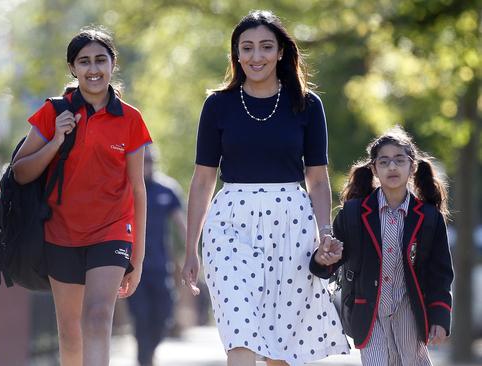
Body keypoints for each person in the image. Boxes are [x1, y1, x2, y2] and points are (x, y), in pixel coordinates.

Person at [181, 10, 350, 366]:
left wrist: (324, 233)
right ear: (236, 54)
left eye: (265, 47)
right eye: (247, 48)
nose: (256, 56)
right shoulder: (217, 105)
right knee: (239, 330)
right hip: (229, 223)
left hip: (291, 222)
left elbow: (317, 179)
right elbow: (202, 181)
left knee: (280, 346)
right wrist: (190, 249)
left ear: (280, 53)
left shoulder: (306, 104)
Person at [11, 27, 151, 366]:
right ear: (73, 68)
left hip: (112, 231)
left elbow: (137, 188)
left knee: (99, 315)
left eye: (100, 60)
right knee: (70, 332)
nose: (93, 69)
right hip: (61, 232)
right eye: (84, 61)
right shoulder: (53, 111)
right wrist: (56, 140)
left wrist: (139, 256)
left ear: (112, 64)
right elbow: (19, 172)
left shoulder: (130, 119)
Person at [310, 126, 454, 365]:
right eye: (384, 162)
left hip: (410, 314)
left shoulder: (429, 218)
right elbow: (328, 264)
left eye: (399, 160)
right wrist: (323, 258)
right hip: (369, 314)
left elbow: (440, 273)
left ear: (412, 167)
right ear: (374, 169)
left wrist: (439, 316)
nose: (392, 167)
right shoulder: (354, 214)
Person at [126, 145, 186, 366]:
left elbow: (183, 227)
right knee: (141, 319)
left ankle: (149, 353)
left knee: (163, 315)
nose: (147, 164)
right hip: (132, 271)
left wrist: (191, 253)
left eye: (151, 160)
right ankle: (145, 360)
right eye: (144, 160)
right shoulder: (127, 188)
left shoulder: (167, 189)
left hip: (161, 268)